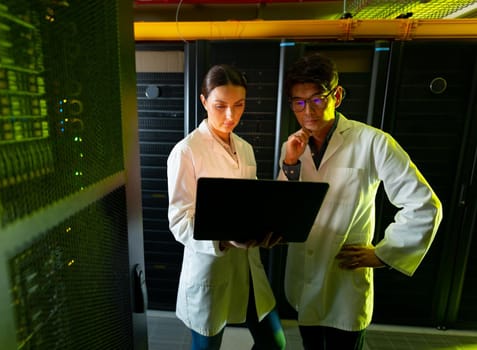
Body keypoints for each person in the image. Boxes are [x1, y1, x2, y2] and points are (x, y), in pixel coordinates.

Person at [277, 53, 443, 350]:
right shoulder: (293, 147)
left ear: (336, 95)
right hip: (304, 276)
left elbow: (424, 204)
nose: (308, 111)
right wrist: (289, 163)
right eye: (298, 102)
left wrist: (385, 254)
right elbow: (284, 208)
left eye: (317, 99)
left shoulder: (373, 141)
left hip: (345, 280)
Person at [167, 64, 286, 350]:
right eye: (220, 106)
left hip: (248, 267)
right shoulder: (186, 151)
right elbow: (180, 220)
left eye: (239, 105)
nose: (231, 116)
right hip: (211, 268)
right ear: (204, 101)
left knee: (275, 343)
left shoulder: (244, 147)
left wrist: (265, 227)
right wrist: (222, 238)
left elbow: (252, 201)